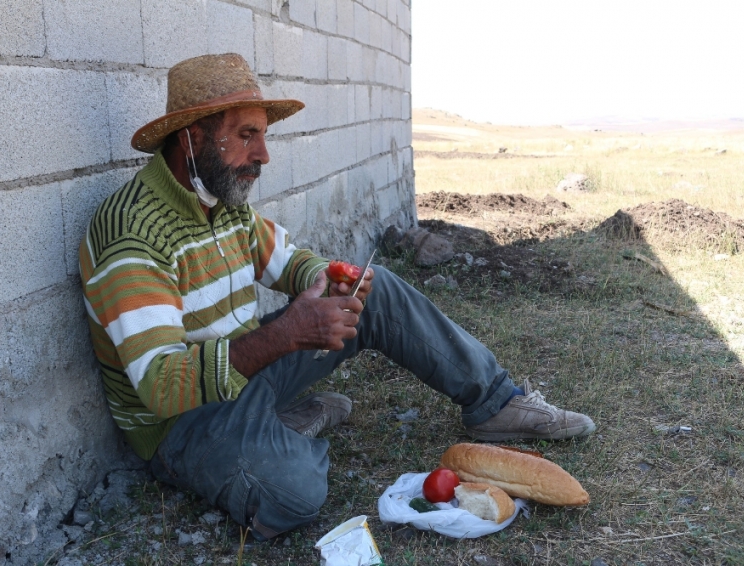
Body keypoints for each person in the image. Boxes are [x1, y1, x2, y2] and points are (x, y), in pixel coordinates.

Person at [79, 53, 595, 539]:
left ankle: (496, 402)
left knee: (379, 288)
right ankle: (274, 432)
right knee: (297, 492)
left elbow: (288, 261)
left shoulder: (220, 200)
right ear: (192, 138)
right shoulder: (134, 235)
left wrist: (332, 278)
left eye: (262, 135)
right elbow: (162, 388)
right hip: (181, 424)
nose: (262, 154)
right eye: (246, 136)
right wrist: (285, 334)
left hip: (242, 376)